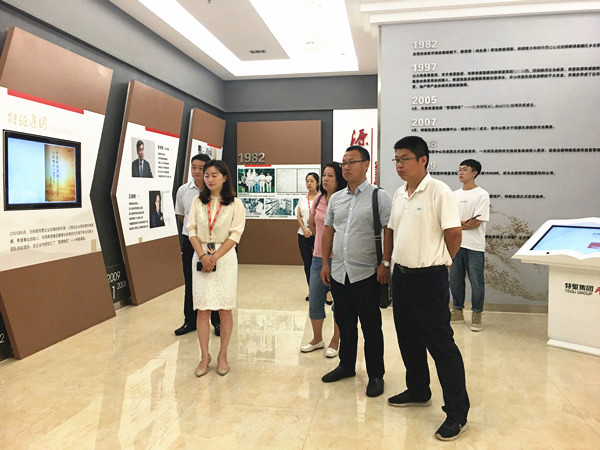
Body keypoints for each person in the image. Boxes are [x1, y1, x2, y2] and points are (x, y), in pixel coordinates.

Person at [385, 136, 470, 441]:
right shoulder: (399, 193)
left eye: (405, 159)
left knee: (441, 345)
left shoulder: (439, 191)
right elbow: (391, 229)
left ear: (423, 160)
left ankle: (457, 413)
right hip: (402, 276)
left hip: (429, 279)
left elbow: (454, 234)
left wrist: (443, 263)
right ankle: (419, 389)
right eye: (396, 159)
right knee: (408, 337)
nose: (399, 165)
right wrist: (387, 261)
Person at [320, 146, 392, 398]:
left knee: (371, 327)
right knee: (345, 322)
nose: (346, 167)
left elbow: (389, 230)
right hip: (340, 272)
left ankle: (376, 375)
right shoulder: (336, 198)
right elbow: (328, 230)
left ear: (366, 165)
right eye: (344, 163)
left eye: (352, 162)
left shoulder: (379, 196)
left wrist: (385, 263)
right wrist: (326, 263)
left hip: (367, 274)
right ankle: (346, 365)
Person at [188, 160, 246, 377]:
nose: (210, 179)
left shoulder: (235, 204)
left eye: (214, 175)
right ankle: (204, 357)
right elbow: (192, 230)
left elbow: (236, 234)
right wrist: (203, 256)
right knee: (202, 308)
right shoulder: (197, 201)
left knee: (224, 308)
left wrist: (214, 257)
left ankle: (223, 355)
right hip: (201, 255)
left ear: (224, 177)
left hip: (225, 258)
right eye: (207, 175)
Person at [300, 164, 346, 358]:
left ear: (339, 178)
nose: (325, 179)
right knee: (315, 299)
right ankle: (317, 338)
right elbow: (312, 224)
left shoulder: (344, 199)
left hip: (339, 259)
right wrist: (321, 241)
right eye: (324, 175)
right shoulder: (319, 199)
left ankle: (336, 340)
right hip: (318, 257)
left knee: (339, 302)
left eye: (330, 176)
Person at [173, 154, 220, 336]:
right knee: (190, 280)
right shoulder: (183, 191)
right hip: (190, 241)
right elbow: (181, 216)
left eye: (201, 168)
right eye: (194, 167)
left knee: (213, 281)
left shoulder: (215, 190)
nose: (197, 171)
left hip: (211, 242)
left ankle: (217, 322)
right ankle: (190, 321)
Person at [450, 159, 490, 332]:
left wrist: (458, 223)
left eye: (464, 169)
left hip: (474, 246)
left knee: (476, 282)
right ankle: (457, 311)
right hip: (455, 244)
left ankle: (477, 314)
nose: (460, 172)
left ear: (474, 173)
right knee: (455, 280)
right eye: (459, 169)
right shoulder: (454, 195)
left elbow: (476, 223)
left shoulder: (482, 194)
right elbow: (448, 220)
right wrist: (463, 222)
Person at [296, 172, 320, 301]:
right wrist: (305, 229)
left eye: (311, 181)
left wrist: (314, 230)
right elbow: (298, 216)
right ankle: (312, 291)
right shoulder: (302, 199)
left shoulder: (321, 198)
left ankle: (325, 291)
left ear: (317, 182)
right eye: (307, 181)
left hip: (318, 235)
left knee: (320, 263)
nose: (309, 183)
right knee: (307, 264)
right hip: (303, 234)